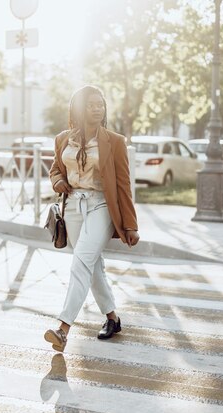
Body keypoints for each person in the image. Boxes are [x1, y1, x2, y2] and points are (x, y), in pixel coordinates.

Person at [44, 85, 139, 352]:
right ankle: (112, 318)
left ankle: (63, 329)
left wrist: (130, 225)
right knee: (92, 265)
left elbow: (123, 185)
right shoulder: (63, 139)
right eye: (92, 104)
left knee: (81, 262)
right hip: (73, 206)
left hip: (101, 206)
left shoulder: (115, 142)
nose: (98, 108)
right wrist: (58, 180)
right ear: (79, 108)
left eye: (101, 104)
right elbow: (55, 168)